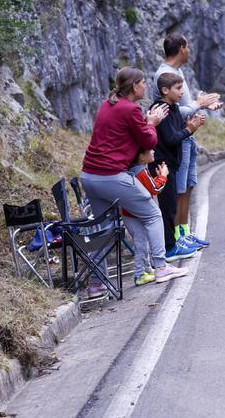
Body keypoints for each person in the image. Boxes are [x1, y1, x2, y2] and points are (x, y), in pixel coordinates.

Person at [80, 67, 188, 287]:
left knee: (104, 228)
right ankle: (160, 266)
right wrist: (151, 123)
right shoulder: (130, 109)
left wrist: (146, 124)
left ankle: (96, 283)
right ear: (134, 86)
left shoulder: (107, 104)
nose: (146, 85)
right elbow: (149, 142)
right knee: (152, 215)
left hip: (89, 175)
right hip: (112, 175)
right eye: (142, 82)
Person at [154, 34, 219, 252]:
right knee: (178, 189)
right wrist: (197, 105)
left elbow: (185, 104)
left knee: (189, 184)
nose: (189, 50)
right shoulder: (164, 75)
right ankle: (176, 237)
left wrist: (202, 105)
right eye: (188, 46)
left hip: (188, 136)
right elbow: (170, 111)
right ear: (182, 48)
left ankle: (184, 231)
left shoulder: (177, 72)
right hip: (178, 137)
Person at [154, 71, 207, 260]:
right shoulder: (162, 109)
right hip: (163, 166)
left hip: (172, 164)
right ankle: (168, 249)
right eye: (178, 88)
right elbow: (170, 138)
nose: (182, 92)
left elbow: (178, 130)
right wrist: (190, 129)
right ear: (165, 90)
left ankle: (174, 243)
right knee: (167, 207)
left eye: (182, 87)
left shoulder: (174, 108)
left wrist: (190, 125)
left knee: (171, 206)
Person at [124, 148, 168, 286]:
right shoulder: (140, 171)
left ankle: (147, 270)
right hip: (133, 215)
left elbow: (147, 187)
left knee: (143, 243)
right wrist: (163, 176)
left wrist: (157, 178)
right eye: (149, 150)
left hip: (131, 214)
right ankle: (139, 274)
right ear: (141, 157)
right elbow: (154, 189)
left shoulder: (139, 168)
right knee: (141, 244)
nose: (154, 151)